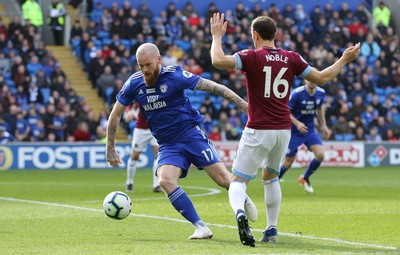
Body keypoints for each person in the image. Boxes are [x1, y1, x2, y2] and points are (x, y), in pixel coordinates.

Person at [210, 13, 360, 246]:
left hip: (258, 128)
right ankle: (271, 230)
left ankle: (240, 213)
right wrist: (343, 59)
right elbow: (322, 78)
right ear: (275, 35)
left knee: (238, 180)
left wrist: (217, 36)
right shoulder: (292, 58)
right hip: (283, 130)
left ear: (255, 35)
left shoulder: (251, 56)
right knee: (270, 178)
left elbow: (218, 61)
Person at [106, 43, 257, 240]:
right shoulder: (134, 84)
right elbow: (115, 114)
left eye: (148, 64)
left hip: (190, 136)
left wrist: (244, 106)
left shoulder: (174, 75)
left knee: (223, 180)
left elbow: (215, 87)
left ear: (159, 60)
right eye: (140, 65)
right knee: (165, 180)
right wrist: (110, 148)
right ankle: (201, 227)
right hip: (168, 144)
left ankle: (242, 197)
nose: (144, 70)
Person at [278, 80, 331, 193]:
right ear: (305, 80)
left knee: (320, 154)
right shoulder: (297, 93)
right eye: (309, 78)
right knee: (288, 162)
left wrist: (324, 126)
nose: (312, 81)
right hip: (293, 131)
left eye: (314, 78)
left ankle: (305, 178)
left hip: (309, 130)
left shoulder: (321, 93)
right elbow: (286, 111)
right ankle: (275, 180)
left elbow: (319, 108)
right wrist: (297, 123)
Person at [124, 102, 162, 193]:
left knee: (158, 155)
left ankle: (156, 184)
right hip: (140, 129)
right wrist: (129, 111)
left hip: (155, 128)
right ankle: (129, 181)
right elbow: (128, 103)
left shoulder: (159, 92)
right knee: (135, 156)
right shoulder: (141, 93)